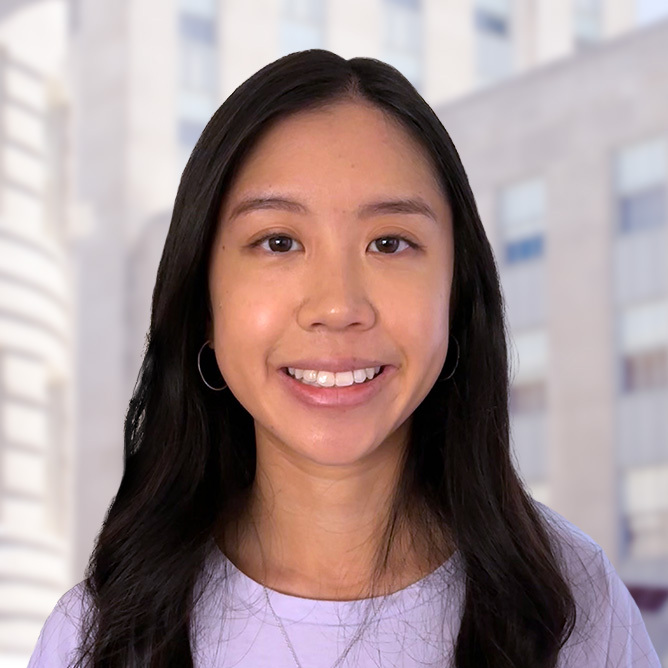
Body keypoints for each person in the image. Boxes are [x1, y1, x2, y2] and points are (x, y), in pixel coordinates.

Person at [27, 49, 660, 668]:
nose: (337, 305)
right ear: (204, 300)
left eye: (389, 242)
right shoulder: (98, 635)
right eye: (278, 242)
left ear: (456, 293)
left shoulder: (574, 604)